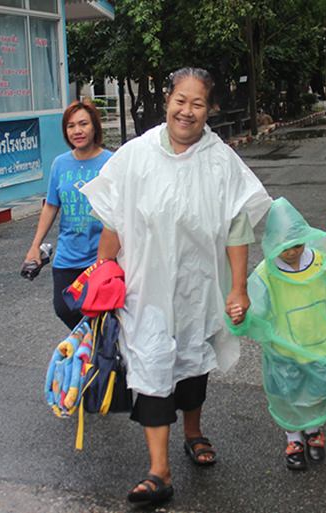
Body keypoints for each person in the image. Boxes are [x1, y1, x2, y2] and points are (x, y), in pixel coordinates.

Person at [80, 67, 271, 505]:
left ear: (210, 109)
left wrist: (238, 288)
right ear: (167, 100)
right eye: (180, 100)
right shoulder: (136, 155)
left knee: (191, 363)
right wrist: (101, 274)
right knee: (150, 367)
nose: (187, 111)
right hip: (143, 289)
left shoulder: (220, 159)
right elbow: (113, 218)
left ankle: (194, 431)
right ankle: (158, 470)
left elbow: (239, 225)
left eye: (197, 103)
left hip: (196, 287)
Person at [227, 198, 326, 470]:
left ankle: (313, 431)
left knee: (318, 391)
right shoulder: (267, 274)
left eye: (298, 245)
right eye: (285, 247)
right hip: (284, 350)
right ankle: (293, 437)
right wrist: (241, 317)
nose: (292, 252)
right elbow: (255, 304)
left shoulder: (322, 266)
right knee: (287, 393)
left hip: (321, 346)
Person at [24, 100, 113, 330]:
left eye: (83, 124)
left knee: (101, 313)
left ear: (94, 127)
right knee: (64, 308)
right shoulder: (60, 164)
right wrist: (36, 245)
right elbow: (51, 206)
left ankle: (97, 355)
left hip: (101, 256)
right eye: (71, 126)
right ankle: (91, 344)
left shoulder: (111, 162)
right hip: (67, 255)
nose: (77, 131)